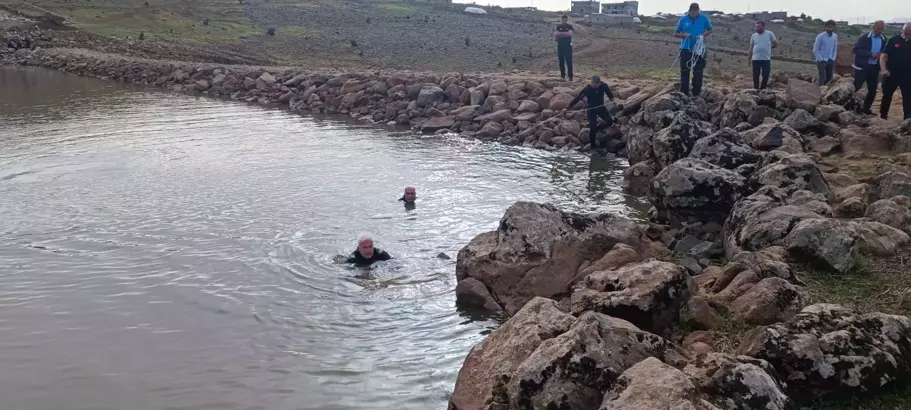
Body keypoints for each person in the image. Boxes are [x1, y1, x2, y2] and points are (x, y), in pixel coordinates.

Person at [674, 3, 712, 97]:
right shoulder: (683, 19)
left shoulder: (704, 18)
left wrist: (702, 36)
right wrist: (684, 35)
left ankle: (696, 93)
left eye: (695, 13)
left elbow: (710, 29)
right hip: (686, 48)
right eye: (692, 13)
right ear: (689, 11)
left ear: (698, 11)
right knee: (684, 71)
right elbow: (675, 33)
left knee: (698, 72)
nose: (693, 15)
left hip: (700, 49)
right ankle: (684, 93)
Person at [568, 75, 615, 150]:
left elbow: (610, 94)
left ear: (599, 83)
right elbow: (578, 98)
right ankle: (593, 146)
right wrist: (568, 106)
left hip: (600, 107)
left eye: (596, 84)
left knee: (610, 121)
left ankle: (598, 128)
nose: (594, 85)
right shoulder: (587, 89)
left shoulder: (603, 86)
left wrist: (613, 100)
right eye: (593, 83)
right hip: (591, 109)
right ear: (591, 82)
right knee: (592, 126)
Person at [852, 21, 888, 115]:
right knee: (856, 87)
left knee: (872, 90)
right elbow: (855, 49)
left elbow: (885, 52)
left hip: (874, 68)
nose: (880, 30)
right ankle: (849, 107)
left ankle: (866, 109)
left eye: (882, 28)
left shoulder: (884, 39)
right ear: (874, 27)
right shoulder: (864, 37)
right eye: (878, 28)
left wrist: (881, 55)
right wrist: (870, 54)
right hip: (862, 67)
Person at [880, 22, 911, 121]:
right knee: (887, 96)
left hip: (908, 75)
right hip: (891, 74)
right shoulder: (893, 40)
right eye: (907, 33)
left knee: (908, 98)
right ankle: (883, 116)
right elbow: (883, 56)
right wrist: (884, 70)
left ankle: (907, 119)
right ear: (903, 31)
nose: (908, 35)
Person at [748, 21, 778, 90]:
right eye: (756, 27)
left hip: (766, 59)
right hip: (755, 59)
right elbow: (751, 48)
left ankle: (762, 89)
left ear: (763, 27)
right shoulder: (753, 35)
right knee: (755, 76)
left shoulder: (769, 34)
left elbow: (775, 44)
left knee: (765, 75)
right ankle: (756, 89)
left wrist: (768, 47)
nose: (757, 28)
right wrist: (749, 59)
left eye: (758, 27)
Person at [814, 20, 839, 86]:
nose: (830, 29)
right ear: (825, 27)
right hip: (822, 60)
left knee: (829, 78)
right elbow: (815, 50)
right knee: (822, 78)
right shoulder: (820, 36)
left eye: (831, 27)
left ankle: (826, 93)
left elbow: (835, 48)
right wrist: (821, 59)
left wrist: (833, 58)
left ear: (834, 28)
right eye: (828, 27)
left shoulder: (835, 36)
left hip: (830, 60)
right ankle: (819, 92)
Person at [554, 15, 574, 82]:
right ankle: (562, 76)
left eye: (565, 19)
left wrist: (560, 34)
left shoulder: (569, 26)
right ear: (561, 20)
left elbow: (569, 34)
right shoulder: (558, 27)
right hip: (560, 46)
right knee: (561, 62)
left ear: (567, 19)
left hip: (568, 47)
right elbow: (556, 34)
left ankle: (570, 76)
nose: (564, 21)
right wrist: (565, 34)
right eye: (563, 19)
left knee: (569, 62)